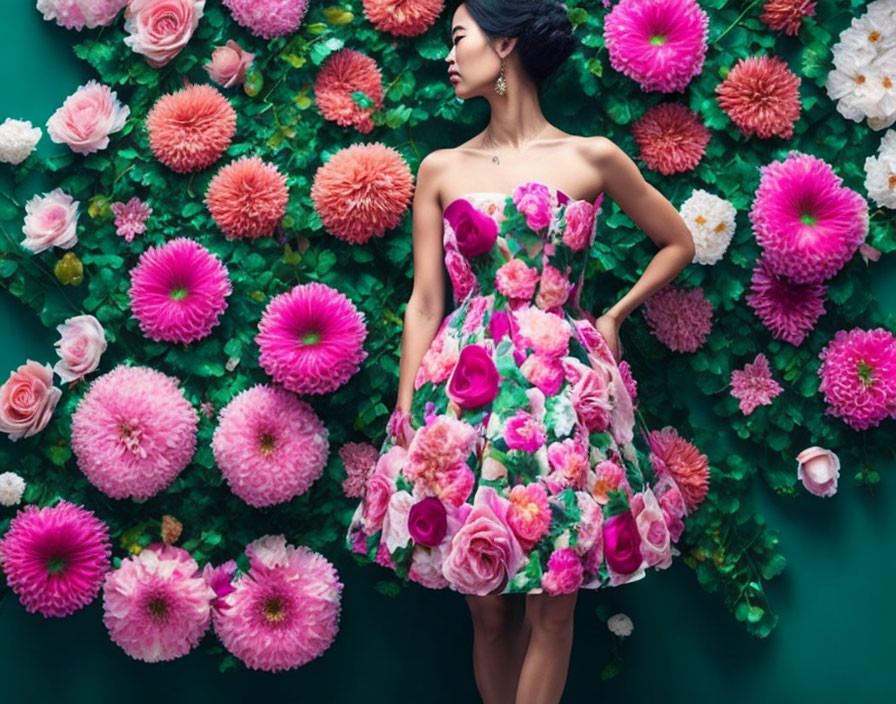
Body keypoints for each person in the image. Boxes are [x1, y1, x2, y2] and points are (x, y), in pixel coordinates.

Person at [346, 2, 697, 703]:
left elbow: (679, 241)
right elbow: (424, 300)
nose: (446, 56)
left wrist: (615, 314)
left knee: (556, 594)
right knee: (484, 600)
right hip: (462, 392)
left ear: (504, 44)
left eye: (458, 39)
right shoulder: (441, 168)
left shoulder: (591, 156)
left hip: (565, 391)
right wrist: (407, 399)